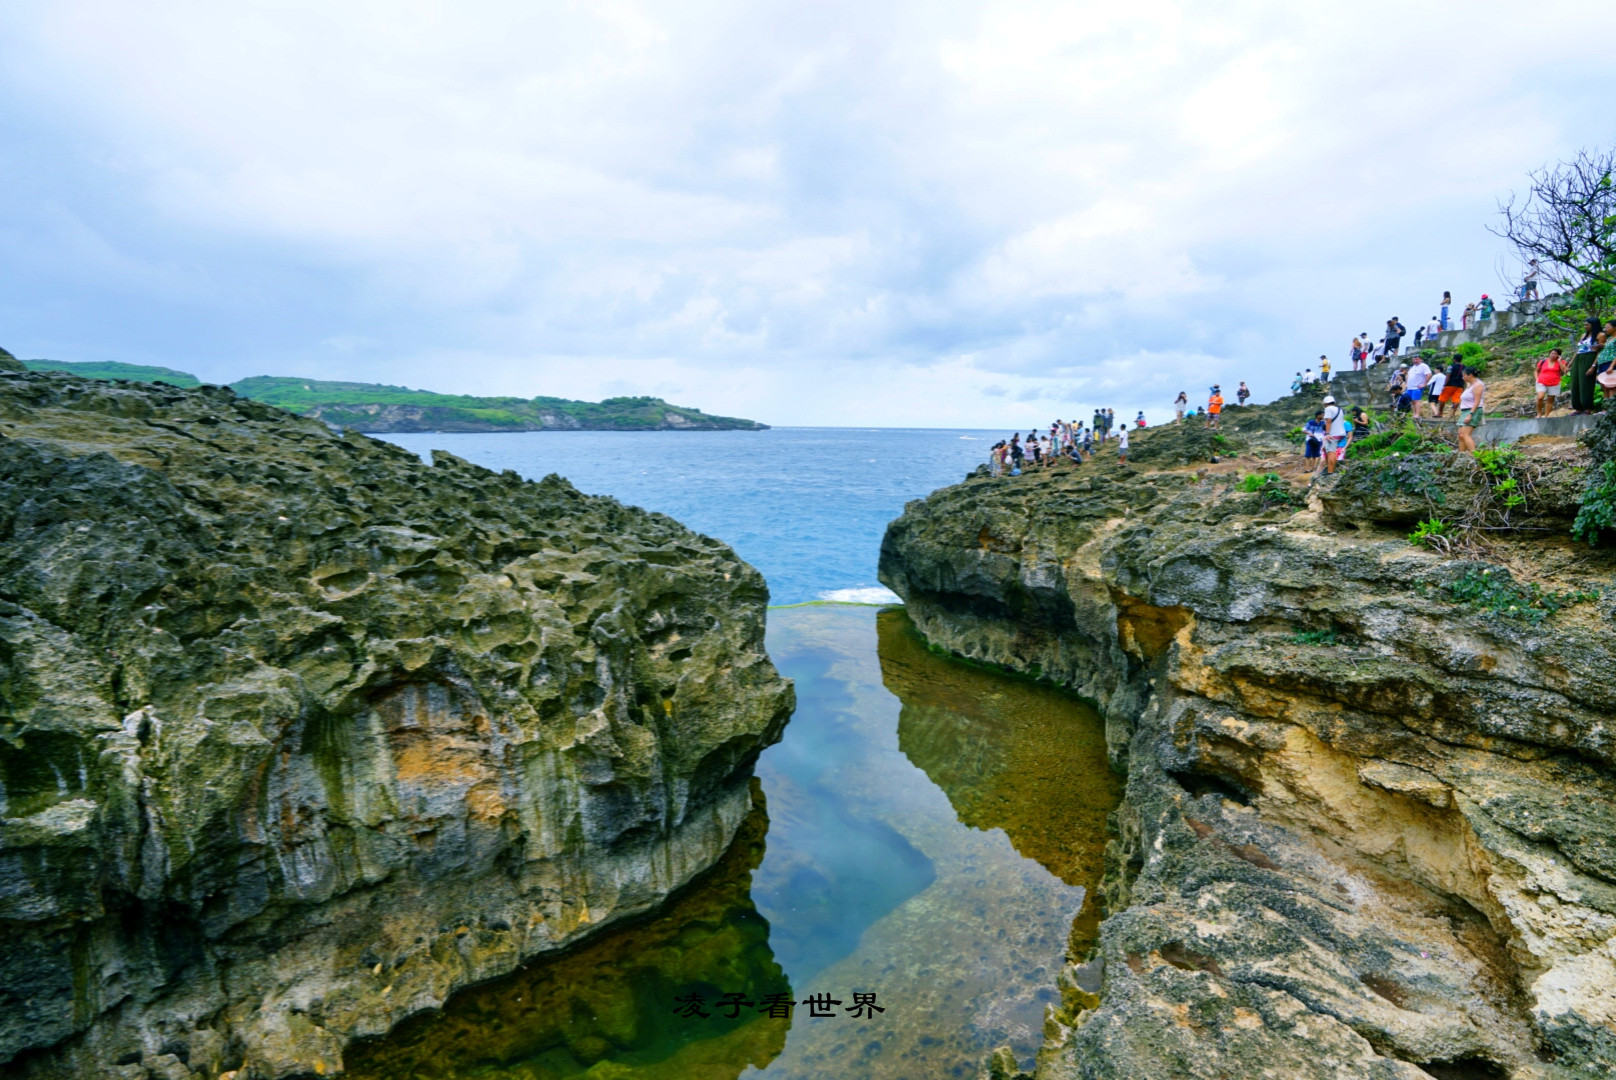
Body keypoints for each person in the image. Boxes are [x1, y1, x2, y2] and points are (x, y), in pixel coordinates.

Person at [1572, 317, 1601, 413]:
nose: (1585, 327)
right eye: (1585, 325)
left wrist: (1593, 366)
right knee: (1575, 383)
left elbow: (1599, 352)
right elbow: (1578, 351)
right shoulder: (1583, 335)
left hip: (1590, 357)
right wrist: (1571, 363)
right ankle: (1578, 407)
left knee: (1586, 383)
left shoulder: (1600, 335)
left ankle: (1587, 407)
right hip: (1579, 358)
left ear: (1594, 325)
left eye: (1587, 325)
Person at [1457, 367, 1486, 452]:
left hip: (1472, 411)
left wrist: (1470, 414)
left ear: (1470, 375)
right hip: (1465, 411)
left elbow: (1477, 401)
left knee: (1465, 434)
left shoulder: (1478, 385)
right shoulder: (1470, 385)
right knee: (1461, 435)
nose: (1463, 377)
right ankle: (1461, 454)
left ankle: (1474, 455)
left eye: (1464, 375)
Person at [1534, 348, 1567, 417]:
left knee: (1550, 399)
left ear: (1558, 355)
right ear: (1549, 354)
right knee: (1540, 397)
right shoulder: (1543, 361)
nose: (1553, 355)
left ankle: (1546, 415)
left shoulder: (1561, 362)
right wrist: (1537, 378)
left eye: (1555, 354)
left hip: (1554, 382)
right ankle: (1539, 413)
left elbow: (1564, 370)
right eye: (1552, 353)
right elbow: (1536, 371)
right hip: (1541, 381)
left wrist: (1560, 361)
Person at [1435, 353, 1465, 418]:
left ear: (1454, 359)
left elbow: (1448, 375)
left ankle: (1440, 413)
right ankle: (1452, 414)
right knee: (1456, 399)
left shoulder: (1451, 366)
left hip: (1450, 385)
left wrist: (1445, 384)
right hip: (1460, 385)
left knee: (1442, 398)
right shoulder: (1464, 367)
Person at [1321, 394, 1346, 474]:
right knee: (1327, 450)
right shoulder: (1339, 409)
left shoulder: (1328, 409)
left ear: (1325, 403)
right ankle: (1331, 468)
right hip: (1342, 434)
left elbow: (1328, 421)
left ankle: (1330, 472)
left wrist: (1327, 433)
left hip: (1333, 434)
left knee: (1331, 452)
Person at [1303, 410, 1326, 475]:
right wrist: (1309, 433)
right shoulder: (1310, 422)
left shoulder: (1323, 423)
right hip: (1310, 440)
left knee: (1315, 455)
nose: (1323, 416)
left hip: (1319, 440)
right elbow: (1304, 430)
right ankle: (1306, 469)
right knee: (1308, 455)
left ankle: (1312, 468)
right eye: (1322, 415)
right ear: (1318, 415)